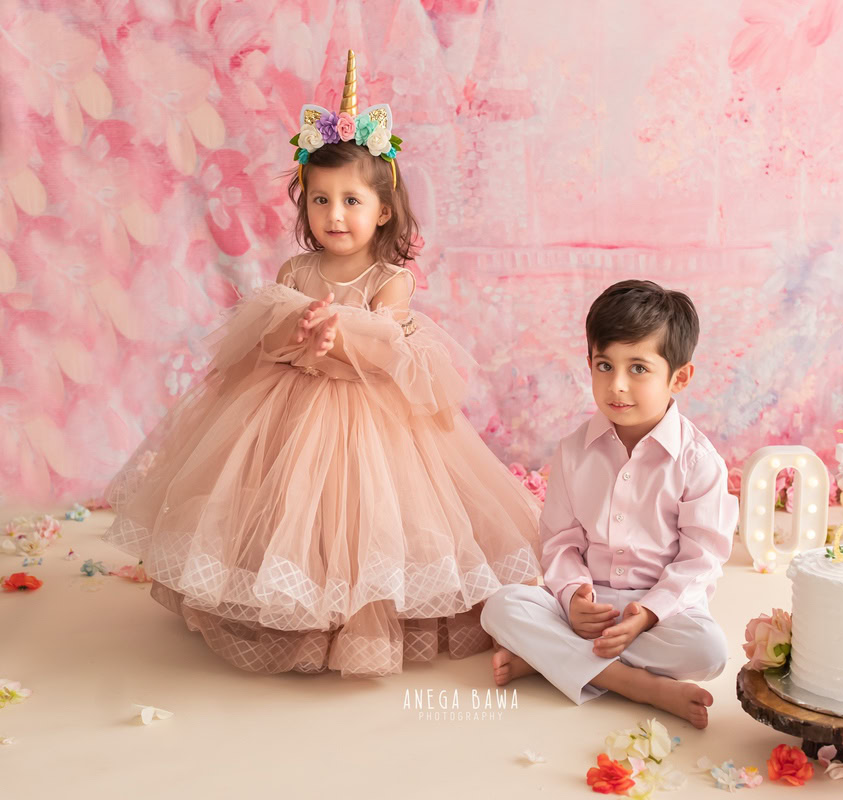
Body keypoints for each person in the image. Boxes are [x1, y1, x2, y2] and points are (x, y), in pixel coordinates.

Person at [103, 50, 540, 678]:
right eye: (319, 200)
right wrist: (299, 333)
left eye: (352, 201)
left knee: (366, 513)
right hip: (290, 405)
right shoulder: (296, 271)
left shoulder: (392, 279)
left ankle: (360, 613)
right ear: (303, 204)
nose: (334, 215)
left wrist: (340, 332)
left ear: (383, 210)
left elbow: (386, 346)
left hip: (370, 413)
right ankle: (284, 603)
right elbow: (267, 339)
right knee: (287, 503)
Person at [480, 280, 738, 728]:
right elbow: (560, 540)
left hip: (659, 613)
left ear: (679, 377)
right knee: (500, 606)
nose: (617, 386)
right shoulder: (574, 450)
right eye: (605, 365)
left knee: (710, 651)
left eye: (638, 368)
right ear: (590, 364)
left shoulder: (699, 462)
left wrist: (647, 613)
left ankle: (550, 660)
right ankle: (637, 685)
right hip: (587, 607)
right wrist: (572, 593)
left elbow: (702, 559)